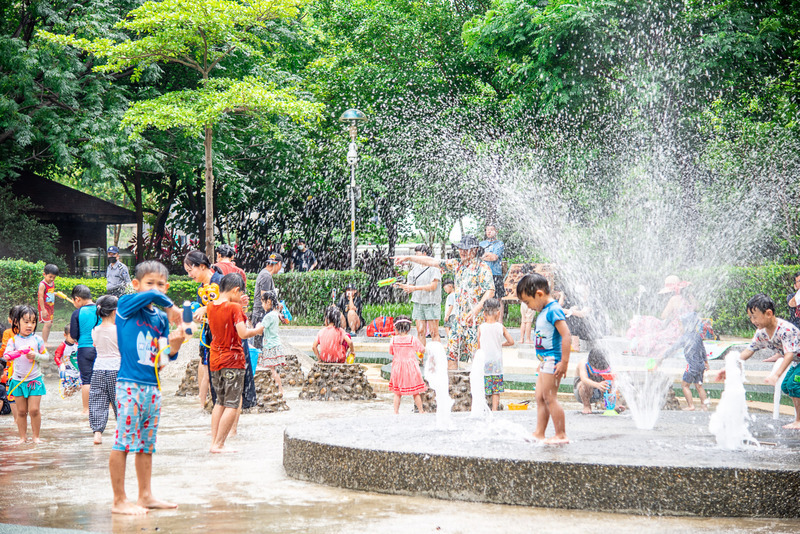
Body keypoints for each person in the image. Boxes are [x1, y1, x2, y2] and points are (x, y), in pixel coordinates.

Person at [110, 260, 186, 515]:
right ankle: (119, 500)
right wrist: (172, 305)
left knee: (146, 445)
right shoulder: (125, 307)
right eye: (149, 282)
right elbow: (154, 296)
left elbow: (161, 362)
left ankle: (145, 496)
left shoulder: (161, 321)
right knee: (123, 442)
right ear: (136, 285)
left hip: (152, 388)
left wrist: (174, 347)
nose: (156, 288)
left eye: (161, 284)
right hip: (129, 385)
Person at [396, 235, 494, 369]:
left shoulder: (482, 268)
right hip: (459, 322)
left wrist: (476, 309)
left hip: (476, 322)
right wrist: (408, 258)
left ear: (475, 250)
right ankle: (452, 386)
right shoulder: (457, 264)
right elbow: (432, 261)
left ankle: (479, 386)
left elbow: (490, 291)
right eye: (461, 248)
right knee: (452, 355)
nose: (462, 252)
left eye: (466, 249)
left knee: (477, 357)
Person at [716, 294, 800, 429]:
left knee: (793, 384)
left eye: (755, 317)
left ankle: (798, 421)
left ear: (768, 313)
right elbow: (749, 350)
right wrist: (730, 367)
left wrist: (776, 375)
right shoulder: (762, 333)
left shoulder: (786, 330)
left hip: (796, 359)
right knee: (786, 386)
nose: (752, 321)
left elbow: (789, 355)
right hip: (798, 361)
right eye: (750, 317)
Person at [207, 273, 264, 453]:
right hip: (232, 360)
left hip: (215, 359)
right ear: (235, 290)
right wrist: (258, 329)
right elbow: (242, 334)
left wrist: (240, 307)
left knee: (220, 402)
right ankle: (219, 444)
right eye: (240, 294)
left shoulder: (211, 306)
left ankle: (214, 441)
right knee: (232, 403)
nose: (240, 298)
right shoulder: (233, 307)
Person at [517, 273, 571, 444]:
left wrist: (564, 362)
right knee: (540, 397)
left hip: (553, 361)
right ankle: (539, 433)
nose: (528, 306)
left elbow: (566, 335)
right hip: (544, 361)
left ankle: (561, 435)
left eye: (527, 302)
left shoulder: (554, 309)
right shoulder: (544, 310)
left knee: (550, 397)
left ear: (539, 294)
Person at [3, 305, 49, 444]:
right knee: (21, 411)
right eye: (26, 321)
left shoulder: (37, 340)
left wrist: (36, 355)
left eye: (33, 322)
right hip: (18, 381)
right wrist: (18, 352)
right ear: (16, 322)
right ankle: (23, 438)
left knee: (34, 410)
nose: (30, 325)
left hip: (34, 380)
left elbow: (46, 356)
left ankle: (36, 437)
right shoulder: (13, 341)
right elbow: (6, 356)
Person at [185, 250, 223, 407]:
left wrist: (206, 309)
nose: (189, 275)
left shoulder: (221, 281)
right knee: (205, 363)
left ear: (201, 266)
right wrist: (197, 315)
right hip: (208, 333)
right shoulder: (201, 288)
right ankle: (204, 403)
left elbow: (226, 303)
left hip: (222, 335)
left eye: (190, 270)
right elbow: (201, 309)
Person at [658, 312, 710, 411]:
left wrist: (662, 358)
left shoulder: (685, 338)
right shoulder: (697, 336)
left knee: (685, 385)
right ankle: (704, 406)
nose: (680, 328)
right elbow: (703, 350)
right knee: (699, 386)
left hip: (691, 366)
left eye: (681, 325)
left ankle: (691, 406)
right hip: (700, 365)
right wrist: (706, 362)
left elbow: (673, 348)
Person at [90, 295, 121, 444]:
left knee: (98, 400)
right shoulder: (119, 330)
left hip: (98, 369)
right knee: (120, 400)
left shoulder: (95, 330)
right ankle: (122, 430)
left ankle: (97, 434)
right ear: (115, 312)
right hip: (117, 368)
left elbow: (96, 345)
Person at [397, 244, 442, 346]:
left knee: (434, 332)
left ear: (424, 254)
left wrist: (415, 288)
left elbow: (433, 286)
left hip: (432, 303)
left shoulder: (434, 267)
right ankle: (420, 359)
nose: (415, 256)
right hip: (418, 303)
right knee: (420, 331)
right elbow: (411, 285)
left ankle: (437, 359)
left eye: (417, 254)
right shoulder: (415, 269)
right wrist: (403, 286)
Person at [478, 297, 514, 411]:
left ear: (484, 313)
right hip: (497, 363)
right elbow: (511, 341)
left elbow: (479, 347)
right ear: (498, 313)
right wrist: (501, 344)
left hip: (485, 362)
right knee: (496, 390)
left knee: (483, 387)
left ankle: (482, 409)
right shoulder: (500, 327)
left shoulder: (481, 328)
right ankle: (494, 410)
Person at [387, 316, 426, 414]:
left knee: (397, 393)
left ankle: (396, 412)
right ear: (408, 328)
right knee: (415, 392)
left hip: (398, 368)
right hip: (411, 368)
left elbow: (391, 352)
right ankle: (421, 410)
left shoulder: (393, 340)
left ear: (396, 328)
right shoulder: (413, 339)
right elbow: (422, 349)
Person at [70, 284, 98, 413]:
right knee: (104, 377)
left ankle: (86, 410)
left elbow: (74, 335)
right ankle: (109, 406)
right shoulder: (101, 309)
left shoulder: (77, 313)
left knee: (87, 380)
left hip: (84, 349)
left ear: (77, 299)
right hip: (102, 349)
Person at [251, 252, 282, 348]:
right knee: (260, 346)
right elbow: (265, 297)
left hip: (260, 314)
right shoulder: (266, 276)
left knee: (260, 344)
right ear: (279, 264)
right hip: (261, 315)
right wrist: (276, 308)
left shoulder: (264, 274)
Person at [258, 291, 286, 395]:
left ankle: (279, 390)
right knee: (272, 369)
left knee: (271, 369)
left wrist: (256, 326)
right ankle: (277, 390)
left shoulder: (268, 316)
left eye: (262, 302)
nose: (262, 305)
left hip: (270, 346)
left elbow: (260, 330)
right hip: (275, 344)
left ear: (268, 302)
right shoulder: (276, 314)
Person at [574, 348, 614, 414]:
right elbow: (584, 379)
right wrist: (598, 385)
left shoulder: (606, 363)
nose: (598, 374)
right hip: (582, 393)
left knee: (611, 384)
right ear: (589, 364)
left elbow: (614, 377)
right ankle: (586, 406)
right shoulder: (583, 363)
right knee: (584, 384)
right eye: (596, 371)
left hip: (600, 390)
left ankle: (608, 404)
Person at [479, 224, 505, 310]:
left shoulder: (499, 244)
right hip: (483, 274)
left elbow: (494, 258)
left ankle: (500, 321)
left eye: (491, 229)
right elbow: (478, 257)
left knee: (498, 298)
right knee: (484, 298)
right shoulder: (481, 244)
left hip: (495, 274)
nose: (489, 231)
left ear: (496, 232)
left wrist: (484, 255)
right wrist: (487, 256)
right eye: (487, 230)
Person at [54, 324, 80, 398]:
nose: (73, 338)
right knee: (68, 387)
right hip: (66, 371)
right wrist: (60, 364)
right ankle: (66, 400)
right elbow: (56, 357)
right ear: (65, 335)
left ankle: (73, 401)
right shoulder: (63, 346)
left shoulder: (77, 345)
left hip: (75, 370)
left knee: (77, 387)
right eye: (71, 336)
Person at [37, 263, 59, 343]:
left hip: (50, 307)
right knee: (48, 324)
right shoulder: (43, 285)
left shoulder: (52, 283)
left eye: (54, 277)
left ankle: (45, 341)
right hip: (44, 307)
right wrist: (43, 310)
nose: (52, 279)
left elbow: (49, 293)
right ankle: (44, 342)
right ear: (44, 274)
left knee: (49, 324)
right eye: (50, 277)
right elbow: (40, 297)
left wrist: (56, 294)